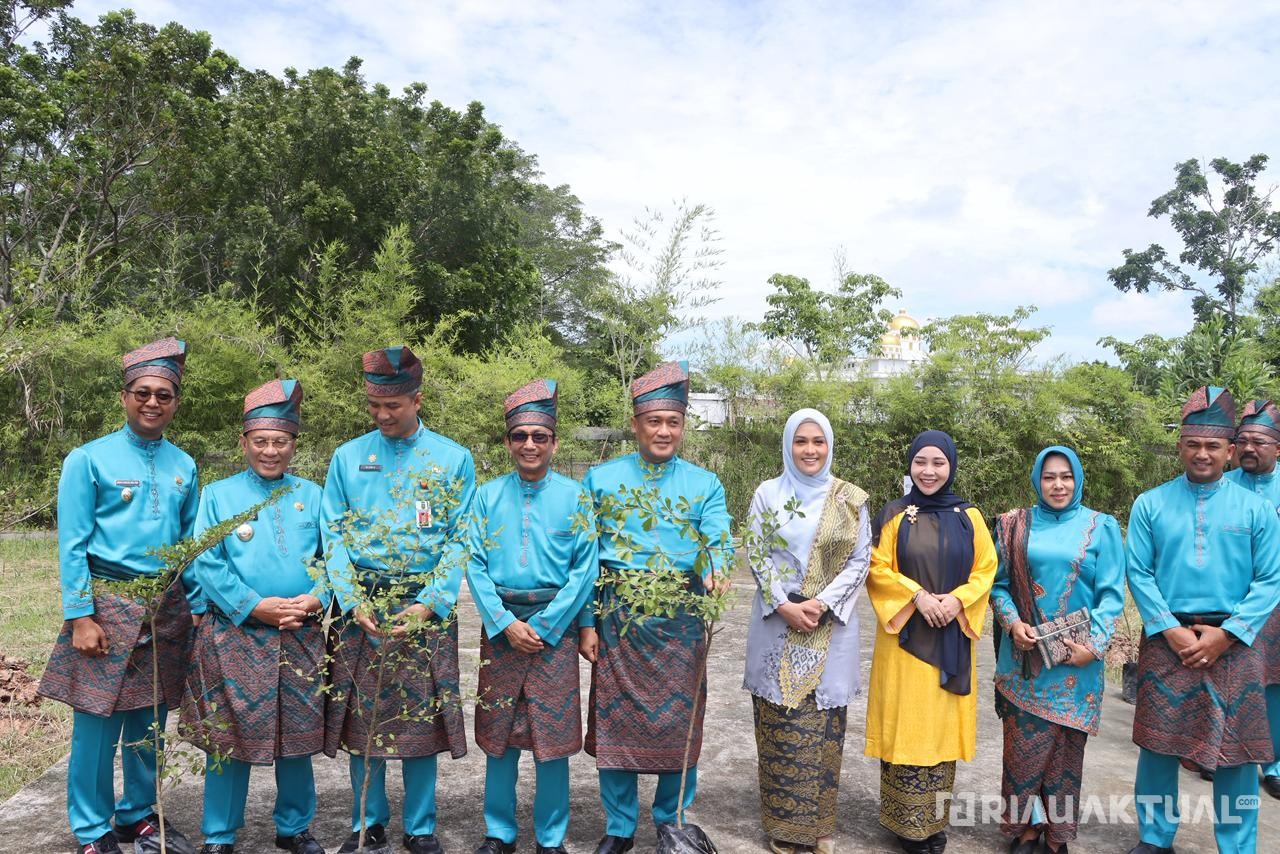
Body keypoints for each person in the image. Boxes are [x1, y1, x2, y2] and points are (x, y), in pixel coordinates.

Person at [38, 337, 199, 854]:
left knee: (149, 719)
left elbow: (190, 544)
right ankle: (92, 827)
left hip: (165, 608)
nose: (153, 402)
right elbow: (73, 545)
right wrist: (80, 616)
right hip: (106, 605)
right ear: (125, 396)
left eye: (164, 395)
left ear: (176, 401)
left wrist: (193, 606)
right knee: (96, 722)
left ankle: (137, 815)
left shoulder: (184, 465)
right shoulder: (88, 459)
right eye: (142, 392)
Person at [322, 346, 475, 854]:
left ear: (417, 398)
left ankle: (421, 825)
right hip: (362, 606)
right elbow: (334, 534)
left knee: (421, 722)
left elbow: (460, 539)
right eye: (374, 406)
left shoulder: (454, 460)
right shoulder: (347, 457)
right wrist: (350, 599)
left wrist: (430, 603)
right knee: (362, 718)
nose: (382, 416)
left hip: (423, 609)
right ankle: (366, 821)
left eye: (393, 406)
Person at [578, 361, 733, 854]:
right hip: (619, 615)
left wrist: (715, 567)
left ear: (683, 426)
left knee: (678, 721)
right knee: (615, 718)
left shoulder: (704, 483)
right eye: (654, 422)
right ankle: (619, 826)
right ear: (636, 423)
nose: (664, 432)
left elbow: (718, 539)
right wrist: (587, 623)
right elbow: (584, 559)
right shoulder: (600, 480)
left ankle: (672, 819)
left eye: (674, 422)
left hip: (682, 617)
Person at [1125, 386, 1280, 854]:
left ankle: (1237, 845)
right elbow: (1139, 571)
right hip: (1165, 636)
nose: (1202, 453)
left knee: (1237, 753)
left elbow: (1270, 579)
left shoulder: (1255, 509)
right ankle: (1155, 838)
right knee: (1157, 745)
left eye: (1213, 445)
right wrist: (1169, 628)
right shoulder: (1149, 504)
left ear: (1230, 451)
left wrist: (1227, 634)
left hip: (1234, 642)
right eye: (1193, 444)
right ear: (1180, 447)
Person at [179, 379, 327, 854]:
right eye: (260, 441)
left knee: (297, 738)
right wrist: (253, 607)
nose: (270, 451)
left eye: (280, 441)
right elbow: (206, 561)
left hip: (301, 633)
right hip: (237, 634)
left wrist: (316, 598)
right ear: (243, 442)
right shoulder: (218, 495)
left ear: (293, 443)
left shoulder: (315, 495)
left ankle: (294, 828)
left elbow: (335, 560)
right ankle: (219, 834)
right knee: (230, 736)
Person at [464, 379, 599, 854]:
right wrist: (502, 622)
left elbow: (585, 568)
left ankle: (551, 838)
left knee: (554, 740)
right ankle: (498, 833)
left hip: (552, 631)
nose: (529, 444)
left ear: (554, 442)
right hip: (501, 627)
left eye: (539, 436)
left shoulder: (576, 496)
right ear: (507, 442)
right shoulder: (484, 496)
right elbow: (473, 563)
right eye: (520, 435)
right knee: (499, 738)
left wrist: (547, 625)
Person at [742, 409, 871, 854]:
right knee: (780, 723)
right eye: (801, 441)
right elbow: (756, 552)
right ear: (788, 446)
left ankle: (819, 826)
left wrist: (820, 603)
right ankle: (784, 826)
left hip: (829, 624)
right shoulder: (768, 493)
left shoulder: (850, 498)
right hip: (779, 623)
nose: (810, 450)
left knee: (826, 727)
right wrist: (784, 604)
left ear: (830, 445)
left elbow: (861, 559)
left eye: (818, 441)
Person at [864, 430, 997, 854]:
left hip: (951, 635)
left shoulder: (969, 516)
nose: (929, 471)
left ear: (951, 466)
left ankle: (933, 820)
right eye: (921, 462)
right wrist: (918, 596)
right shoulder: (894, 514)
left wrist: (956, 601)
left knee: (938, 731)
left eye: (938, 462)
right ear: (910, 464)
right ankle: (905, 824)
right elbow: (876, 568)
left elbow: (986, 569)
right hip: (904, 641)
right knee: (906, 725)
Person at [990, 446, 1125, 854]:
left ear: (1078, 478)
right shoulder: (1015, 525)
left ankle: (1057, 834)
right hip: (1025, 661)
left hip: (1076, 664)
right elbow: (998, 587)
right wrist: (1013, 623)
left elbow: (1111, 595)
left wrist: (1094, 647)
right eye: (1049, 476)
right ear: (1037, 479)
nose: (1058, 484)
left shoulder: (1102, 527)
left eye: (1066, 476)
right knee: (1022, 750)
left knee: (1066, 756)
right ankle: (1027, 829)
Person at [1223, 399, 1280, 800]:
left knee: (1274, 684)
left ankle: (1274, 763)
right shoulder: (1220, 485)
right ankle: (1223, 752)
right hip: (1231, 603)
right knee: (1232, 681)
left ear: (1278, 447)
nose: (1248, 448)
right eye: (1242, 440)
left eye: (1259, 441)